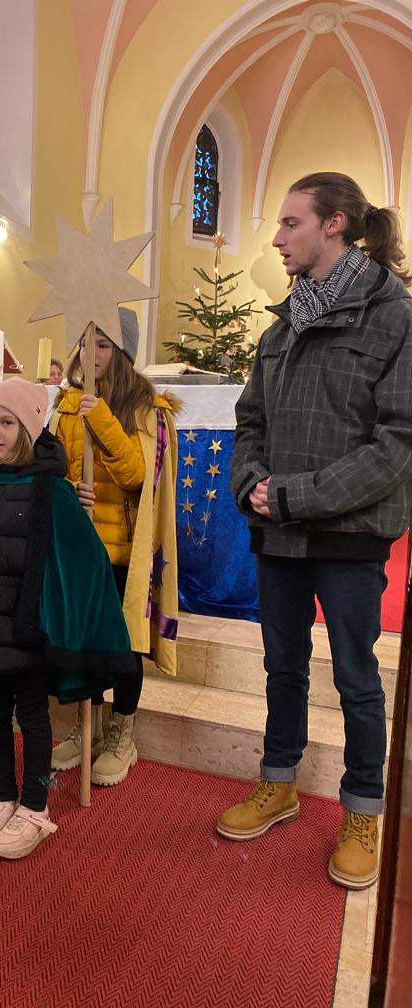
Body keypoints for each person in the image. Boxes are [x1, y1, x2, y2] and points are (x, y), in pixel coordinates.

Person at [217, 172, 412, 891]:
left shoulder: (396, 318)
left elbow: (399, 441)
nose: (276, 238)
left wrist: (295, 496)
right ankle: (279, 782)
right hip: (278, 530)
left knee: (357, 677)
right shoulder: (283, 323)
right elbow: (250, 420)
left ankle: (362, 811)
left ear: (334, 224)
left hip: (348, 532)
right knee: (282, 667)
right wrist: (250, 480)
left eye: (290, 223)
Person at [0, 378, 135, 859]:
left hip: (28, 630)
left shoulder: (52, 490)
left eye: (7, 423)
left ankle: (34, 806)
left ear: (30, 430)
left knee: (31, 717)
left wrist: (77, 514)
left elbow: (83, 563)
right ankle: (1, 798)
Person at [48, 310, 179, 787]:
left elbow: (137, 476)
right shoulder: (64, 406)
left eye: (102, 345)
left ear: (122, 352)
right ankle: (90, 727)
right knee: (84, 643)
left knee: (121, 648)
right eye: (86, 344)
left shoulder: (147, 408)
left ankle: (123, 732)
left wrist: (100, 417)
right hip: (80, 546)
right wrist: (68, 489)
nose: (91, 354)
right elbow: (50, 468)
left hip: (122, 549)